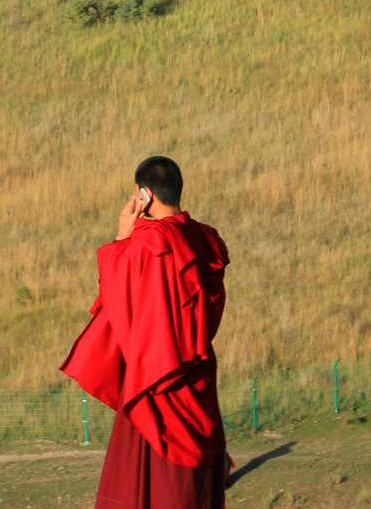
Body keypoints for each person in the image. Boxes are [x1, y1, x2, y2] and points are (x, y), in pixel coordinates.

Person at [61, 156, 230, 509]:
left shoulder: (149, 243)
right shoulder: (205, 239)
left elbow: (118, 304)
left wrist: (121, 239)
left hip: (155, 381)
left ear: (145, 195)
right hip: (196, 378)